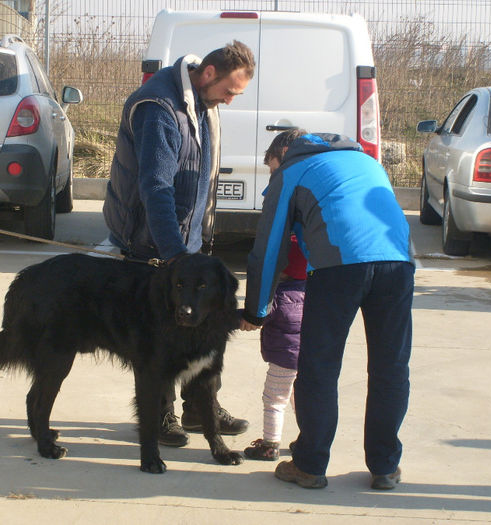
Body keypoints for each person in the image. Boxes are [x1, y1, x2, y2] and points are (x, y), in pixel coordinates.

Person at [240, 131, 414, 490]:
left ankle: (309, 464)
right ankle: (385, 466)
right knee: (390, 368)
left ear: (283, 155)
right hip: (399, 263)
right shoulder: (367, 162)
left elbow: (270, 249)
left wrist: (257, 310)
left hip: (338, 268)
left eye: (273, 168)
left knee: (318, 367)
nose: (273, 177)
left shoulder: (292, 171)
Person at [103, 40, 255, 447]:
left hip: (185, 245)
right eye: (229, 91)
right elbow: (155, 186)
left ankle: (200, 408)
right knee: (156, 338)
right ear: (208, 74)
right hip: (150, 246)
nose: (230, 100)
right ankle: (161, 413)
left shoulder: (200, 105)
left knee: (203, 327)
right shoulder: (160, 107)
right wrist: (172, 255)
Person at [243, 130, 308, 461]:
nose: (272, 176)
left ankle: (270, 443)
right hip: (307, 348)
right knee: (301, 394)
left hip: (285, 353)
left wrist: (249, 315)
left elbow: (262, 311)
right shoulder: (312, 293)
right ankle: (307, 439)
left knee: (275, 394)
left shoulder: (282, 298)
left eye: (272, 169)